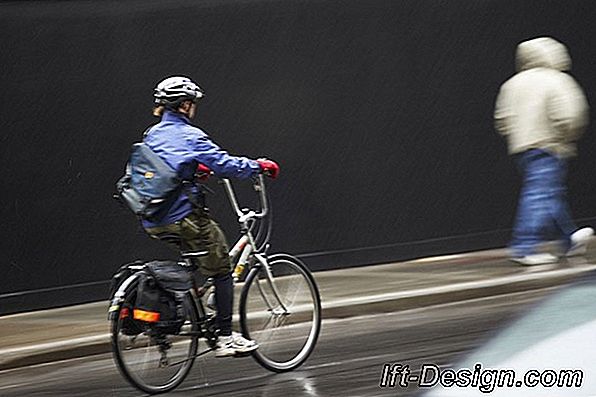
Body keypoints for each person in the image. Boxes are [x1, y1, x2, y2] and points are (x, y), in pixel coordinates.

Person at [141, 76, 279, 356]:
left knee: (196, 259)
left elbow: (166, 164)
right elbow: (225, 164)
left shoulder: (152, 134)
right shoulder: (192, 135)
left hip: (152, 218)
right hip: (184, 216)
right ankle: (226, 337)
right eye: (193, 103)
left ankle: (197, 306)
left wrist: (194, 169)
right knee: (222, 267)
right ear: (185, 106)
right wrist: (257, 166)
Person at [494, 37, 593, 266]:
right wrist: (564, 137)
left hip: (522, 148)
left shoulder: (512, 84)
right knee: (539, 194)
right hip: (549, 144)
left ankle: (569, 239)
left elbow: (502, 120)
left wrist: (518, 134)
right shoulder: (556, 80)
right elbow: (571, 115)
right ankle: (523, 246)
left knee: (548, 192)